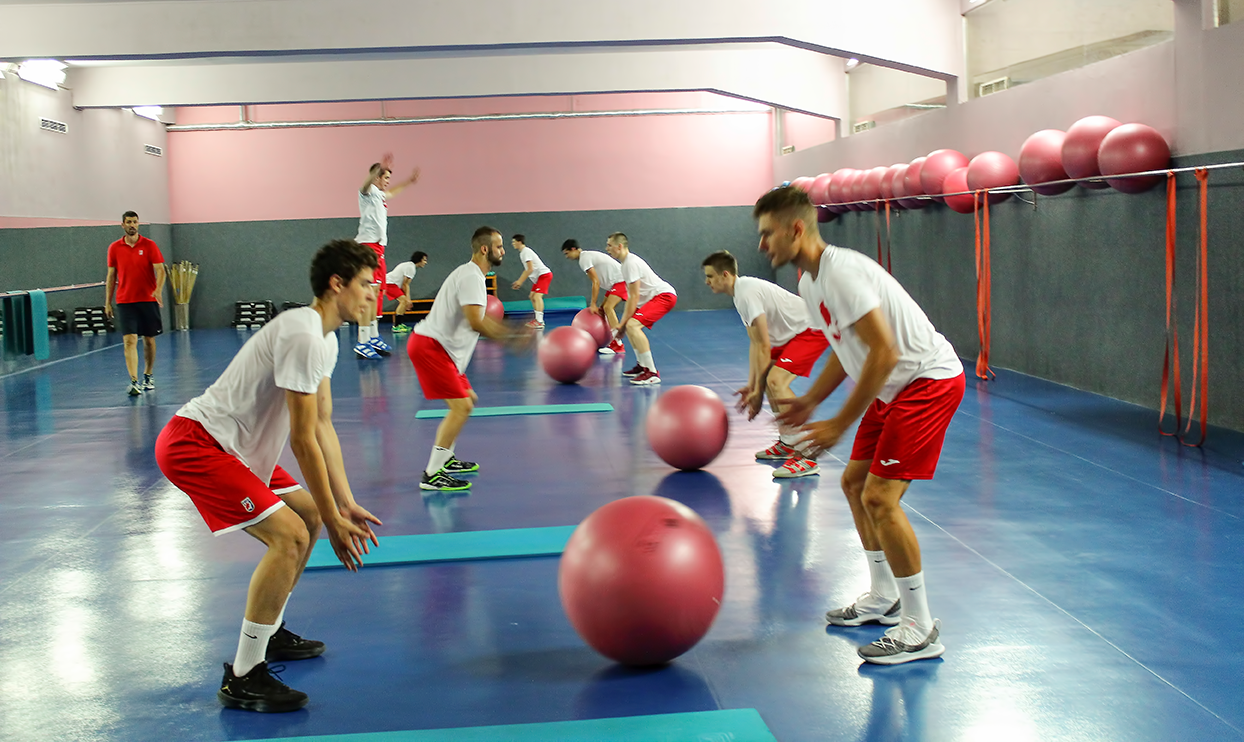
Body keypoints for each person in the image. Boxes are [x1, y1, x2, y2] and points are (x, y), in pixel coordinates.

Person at [154, 239, 384, 711]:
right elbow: (301, 440)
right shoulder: (303, 334)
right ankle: (243, 676)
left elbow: (322, 426)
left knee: (310, 518)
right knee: (290, 536)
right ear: (336, 284)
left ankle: (270, 628)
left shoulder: (325, 340)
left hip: (237, 449)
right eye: (365, 284)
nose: (372, 293)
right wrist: (333, 517)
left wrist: (342, 504)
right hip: (197, 443)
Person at [753, 186, 965, 665]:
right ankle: (884, 596)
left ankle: (920, 627)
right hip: (893, 385)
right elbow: (846, 348)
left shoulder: (842, 273)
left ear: (796, 229)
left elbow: (884, 351)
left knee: (880, 498)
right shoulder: (811, 283)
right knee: (853, 484)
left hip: (926, 381)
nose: (762, 245)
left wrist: (838, 423)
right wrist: (811, 400)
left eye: (768, 234)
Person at [410, 227, 533, 491]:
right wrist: (512, 338)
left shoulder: (472, 275)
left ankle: (445, 458)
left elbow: (481, 320)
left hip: (443, 349)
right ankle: (432, 474)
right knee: (462, 407)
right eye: (499, 246)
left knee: (469, 399)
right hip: (431, 347)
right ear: (485, 249)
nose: (503, 251)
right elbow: (476, 322)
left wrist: (511, 335)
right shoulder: (471, 277)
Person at [701, 250, 828, 479]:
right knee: (767, 379)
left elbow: (763, 347)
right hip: (790, 334)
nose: (706, 282)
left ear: (725, 274)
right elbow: (755, 343)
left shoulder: (746, 293)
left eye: (710, 276)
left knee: (775, 382)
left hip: (811, 329)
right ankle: (789, 442)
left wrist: (758, 392)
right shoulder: (739, 294)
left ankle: (807, 454)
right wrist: (752, 386)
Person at [355, 154, 420, 359]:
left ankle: (373, 336)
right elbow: (365, 184)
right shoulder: (367, 192)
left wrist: (409, 182)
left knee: (377, 294)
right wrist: (377, 169)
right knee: (368, 295)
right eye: (385, 178)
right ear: (376, 177)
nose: (387, 182)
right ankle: (362, 341)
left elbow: (392, 192)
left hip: (379, 250)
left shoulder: (380, 195)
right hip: (368, 248)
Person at [104, 211, 166, 396]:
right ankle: (133, 380)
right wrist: (107, 302)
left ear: (138, 224)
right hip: (125, 301)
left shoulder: (149, 245)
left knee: (149, 340)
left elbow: (161, 270)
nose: (132, 225)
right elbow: (111, 276)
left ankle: (148, 374)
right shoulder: (114, 248)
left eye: (135, 222)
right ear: (123, 225)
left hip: (147, 299)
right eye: (129, 222)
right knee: (129, 340)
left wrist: (158, 290)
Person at [605, 232, 678, 386]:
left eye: (610, 245)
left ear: (620, 246)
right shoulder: (625, 264)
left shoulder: (631, 263)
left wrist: (622, 323)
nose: (607, 249)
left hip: (664, 296)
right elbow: (632, 297)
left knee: (632, 325)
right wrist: (623, 325)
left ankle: (652, 373)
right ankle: (642, 366)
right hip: (652, 298)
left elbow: (634, 296)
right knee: (630, 326)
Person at [561, 238, 627, 356]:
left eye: (567, 253)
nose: (567, 257)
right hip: (616, 283)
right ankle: (612, 339)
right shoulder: (586, 256)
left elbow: (595, 282)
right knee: (603, 310)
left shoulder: (584, 259)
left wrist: (593, 304)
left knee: (608, 308)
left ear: (573, 249)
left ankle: (618, 345)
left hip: (622, 281)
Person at [509, 234, 553, 328]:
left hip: (544, 275)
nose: (512, 244)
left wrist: (520, 281)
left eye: (514, 242)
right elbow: (529, 269)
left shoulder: (526, 251)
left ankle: (540, 321)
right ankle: (537, 319)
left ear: (519, 242)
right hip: (539, 278)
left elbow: (530, 269)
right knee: (532, 296)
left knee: (537, 296)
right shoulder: (523, 252)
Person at [385, 250, 428, 333]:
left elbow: (404, 285)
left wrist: (407, 300)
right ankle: (396, 326)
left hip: (392, 284)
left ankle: (399, 324)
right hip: (389, 284)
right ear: (419, 260)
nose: (425, 263)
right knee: (404, 301)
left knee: (404, 302)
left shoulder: (409, 265)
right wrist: (408, 299)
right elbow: (405, 284)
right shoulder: (410, 268)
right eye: (424, 260)